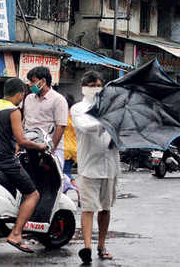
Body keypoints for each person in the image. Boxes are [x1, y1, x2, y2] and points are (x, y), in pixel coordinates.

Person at [0, 78, 47, 253]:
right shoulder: (14, 111)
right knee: (33, 194)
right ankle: (16, 234)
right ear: (19, 94)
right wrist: (40, 146)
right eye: (22, 94)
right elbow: (22, 139)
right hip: (4, 161)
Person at [71, 71, 120, 264]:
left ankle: (101, 245)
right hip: (89, 167)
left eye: (98, 85)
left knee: (106, 209)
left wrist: (117, 136)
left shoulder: (111, 108)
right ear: (84, 87)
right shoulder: (78, 109)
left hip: (110, 166)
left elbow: (119, 136)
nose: (94, 89)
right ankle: (87, 247)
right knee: (88, 209)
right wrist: (107, 122)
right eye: (91, 85)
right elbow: (86, 127)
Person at [23, 66, 68, 167]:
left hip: (50, 149)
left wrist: (51, 150)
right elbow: (25, 121)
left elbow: (61, 126)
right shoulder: (29, 98)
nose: (30, 85)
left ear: (43, 81)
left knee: (51, 181)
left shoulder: (58, 100)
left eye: (33, 81)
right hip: (30, 148)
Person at [63, 94, 79, 197]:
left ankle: (78, 190)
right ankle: (64, 194)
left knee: (64, 174)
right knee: (65, 172)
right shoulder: (75, 116)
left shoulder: (64, 116)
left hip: (65, 149)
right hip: (74, 148)